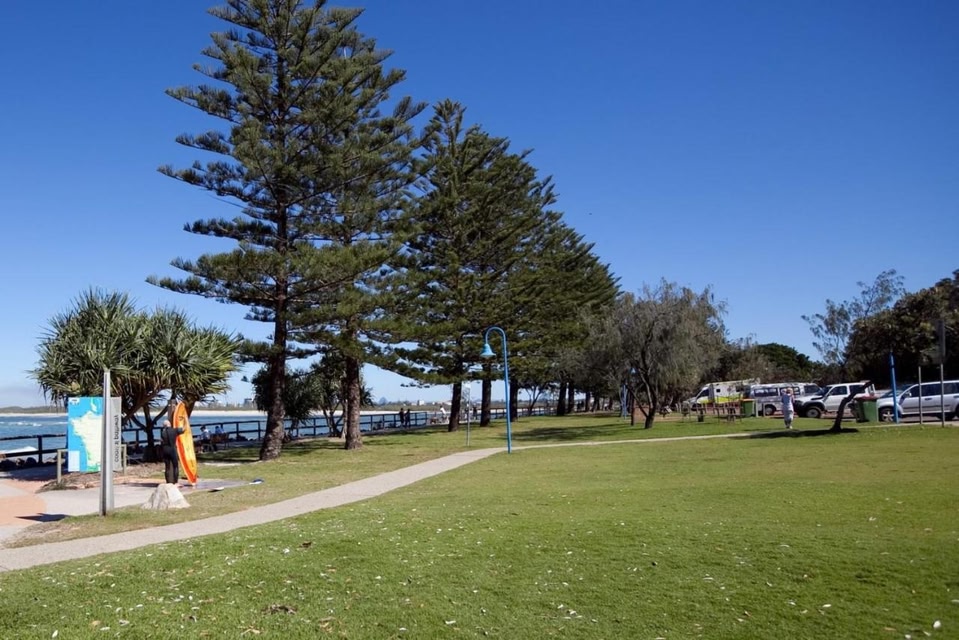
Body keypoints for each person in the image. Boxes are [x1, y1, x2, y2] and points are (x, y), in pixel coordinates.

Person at [160, 419, 185, 484]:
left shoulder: (163, 432)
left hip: (165, 450)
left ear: (164, 426)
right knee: (175, 466)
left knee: (167, 467)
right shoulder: (174, 430)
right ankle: (175, 482)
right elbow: (183, 429)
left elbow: (162, 441)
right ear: (170, 424)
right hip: (172, 449)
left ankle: (167, 482)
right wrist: (185, 422)